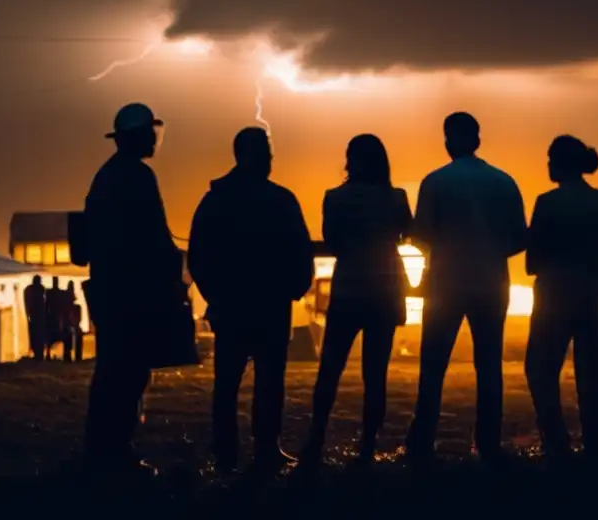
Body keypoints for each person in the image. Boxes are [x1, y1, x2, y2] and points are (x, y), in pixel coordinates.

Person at [187, 127, 314, 474]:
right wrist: (295, 287)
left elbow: (198, 253)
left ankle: (229, 453)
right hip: (269, 307)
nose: (271, 160)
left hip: (233, 306)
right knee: (268, 383)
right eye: (267, 153)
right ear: (249, 155)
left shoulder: (216, 200)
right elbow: (301, 250)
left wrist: (215, 294)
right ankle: (264, 449)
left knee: (228, 385)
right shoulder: (280, 200)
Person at [405, 112, 528, 463]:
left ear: (447, 141)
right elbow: (520, 237)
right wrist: (489, 249)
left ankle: (422, 441)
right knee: (489, 364)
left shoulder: (435, 182)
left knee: (433, 365)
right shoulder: (504, 181)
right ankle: (488, 442)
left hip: (445, 281)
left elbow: (422, 233)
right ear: (478, 140)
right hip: (491, 281)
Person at [81, 102, 186, 478]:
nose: (156, 138)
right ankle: (116, 450)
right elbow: (155, 236)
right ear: (138, 136)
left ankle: (101, 447)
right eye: (150, 133)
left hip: (111, 291)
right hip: (133, 293)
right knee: (129, 371)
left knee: (112, 369)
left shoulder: (106, 177)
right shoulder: (138, 176)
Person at [300, 134, 413, 464]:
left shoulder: (334, 198)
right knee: (375, 374)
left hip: (348, 288)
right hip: (385, 290)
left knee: (330, 368)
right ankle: (367, 446)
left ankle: (316, 437)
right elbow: (406, 233)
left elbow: (333, 242)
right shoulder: (396, 198)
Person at [524, 136, 598, 460]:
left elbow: (532, 259)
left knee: (540, 369)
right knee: (591, 370)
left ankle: (556, 441)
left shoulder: (547, 202)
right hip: (595, 289)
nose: (547, 164)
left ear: (560, 163)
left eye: (550, 158)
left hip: (555, 293)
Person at [23, 275, 47, 361]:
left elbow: (27, 301)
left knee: (36, 335)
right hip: (37, 316)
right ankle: (38, 353)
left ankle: (38, 353)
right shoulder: (38, 289)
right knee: (37, 335)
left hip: (36, 316)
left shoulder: (31, 289)